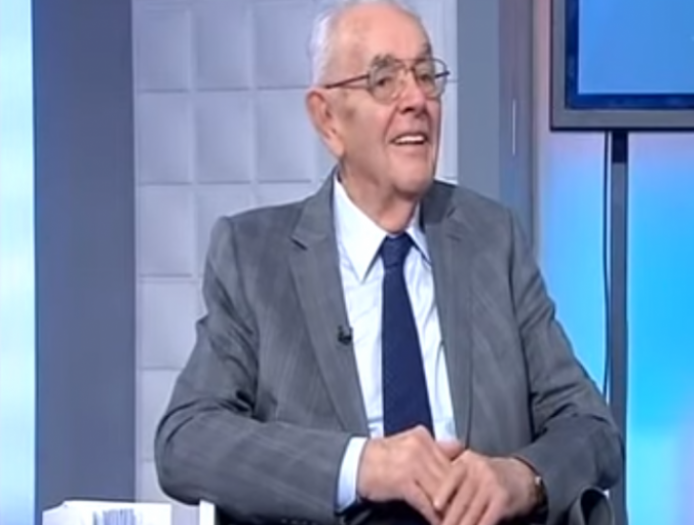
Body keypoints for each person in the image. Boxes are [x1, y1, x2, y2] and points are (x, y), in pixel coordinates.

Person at [153, 1, 623, 524]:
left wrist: (522, 477)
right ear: (328, 118)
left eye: (425, 75)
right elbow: (185, 441)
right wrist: (361, 465)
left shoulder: (492, 240)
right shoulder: (255, 256)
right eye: (384, 80)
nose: (417, 99)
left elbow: (592, 429)